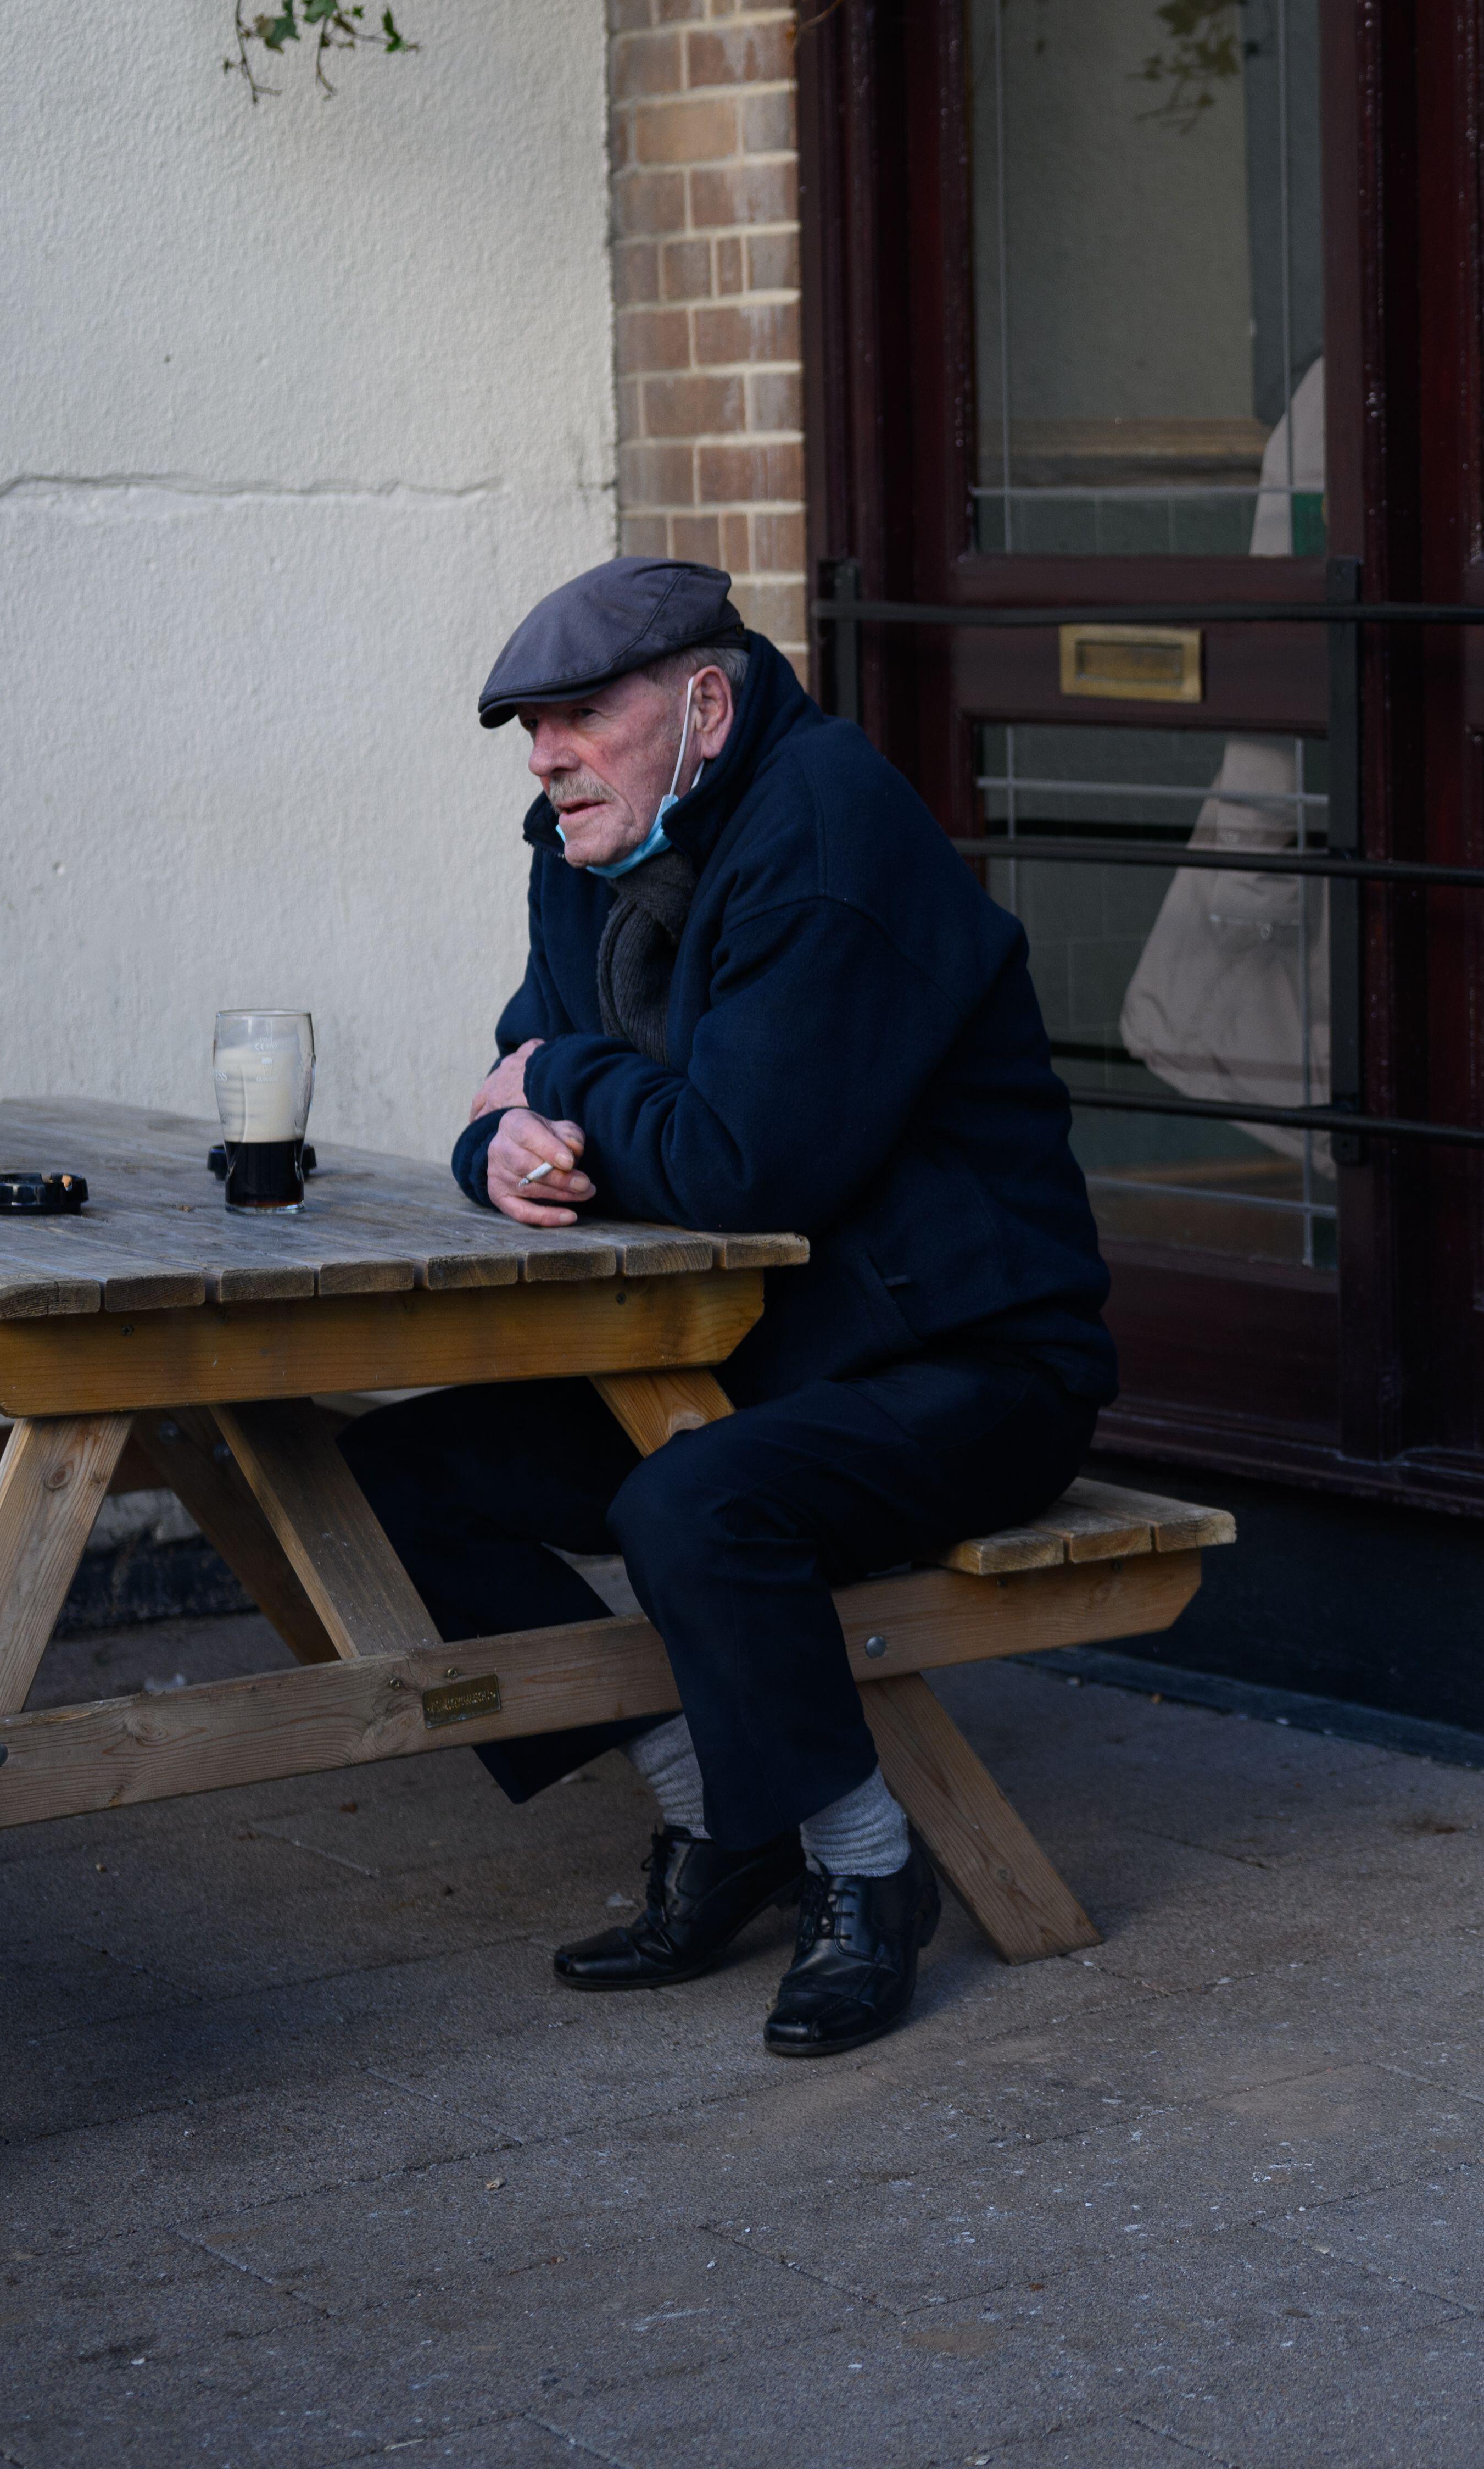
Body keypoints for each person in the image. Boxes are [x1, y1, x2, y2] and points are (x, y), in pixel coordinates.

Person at [341, 557, 1121, 2060]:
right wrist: (501, 1150)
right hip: (754, 1354)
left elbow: (744, 1166)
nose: (546, 754)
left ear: (706, 703)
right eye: (527, 727)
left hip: (970, 1360)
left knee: (699, 1509)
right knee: (388, 1480)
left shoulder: (829, 832)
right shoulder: (581, 850)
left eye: (577, 714)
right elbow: (510, 1087)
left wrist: (561, 1089)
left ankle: (871, 1874)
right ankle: (722, 1807)